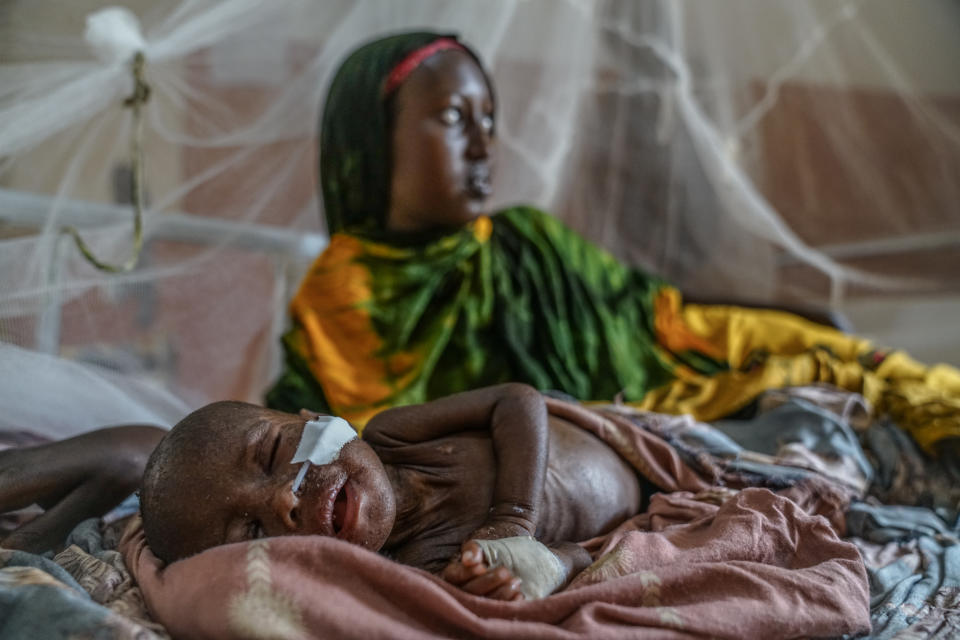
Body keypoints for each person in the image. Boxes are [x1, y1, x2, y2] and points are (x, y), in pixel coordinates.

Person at [266, 31, 960, 455]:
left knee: (836, 353)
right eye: (453, 118)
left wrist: (802, 324)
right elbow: (342, 429)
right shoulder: (342, 296)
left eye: (490, 119)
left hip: (657, 375)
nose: (484, 145)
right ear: (372, 141)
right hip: (586, 437)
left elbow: (656, 313)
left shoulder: (524, 238)